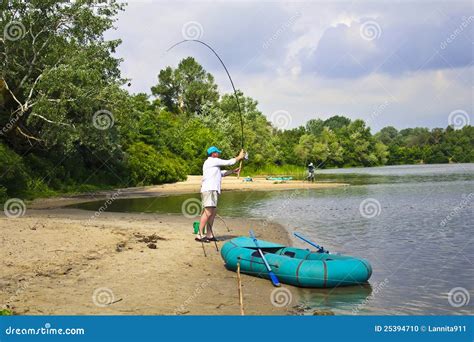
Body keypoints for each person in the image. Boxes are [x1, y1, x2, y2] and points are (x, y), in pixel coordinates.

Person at [196, 146, 245, 242]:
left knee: (212, 212)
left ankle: (209, 235)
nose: (219, 154)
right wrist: (239, 157)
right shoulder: (212, 161)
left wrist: (232, 171)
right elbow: (228, 162)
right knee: (208, 212)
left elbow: (221, 173)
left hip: (213, 190)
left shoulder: (212, 164)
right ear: (213, 153)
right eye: (217, 152)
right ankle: (199, 235)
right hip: (209, 189)